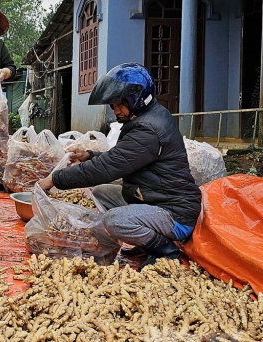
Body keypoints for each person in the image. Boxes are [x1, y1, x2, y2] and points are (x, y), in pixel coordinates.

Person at [38, 63, 202, 270]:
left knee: (114, 220)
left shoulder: (149, 129)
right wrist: (89, 155)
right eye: (113, 106)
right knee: (101, 193)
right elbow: (123, 158)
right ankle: (146, 242)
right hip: (155, 196)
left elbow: (107, 168)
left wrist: (55, 179)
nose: (115, 111)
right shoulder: (148, 116)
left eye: (119, 105)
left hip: (175, 212)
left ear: (136, 99)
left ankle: (165, 251)